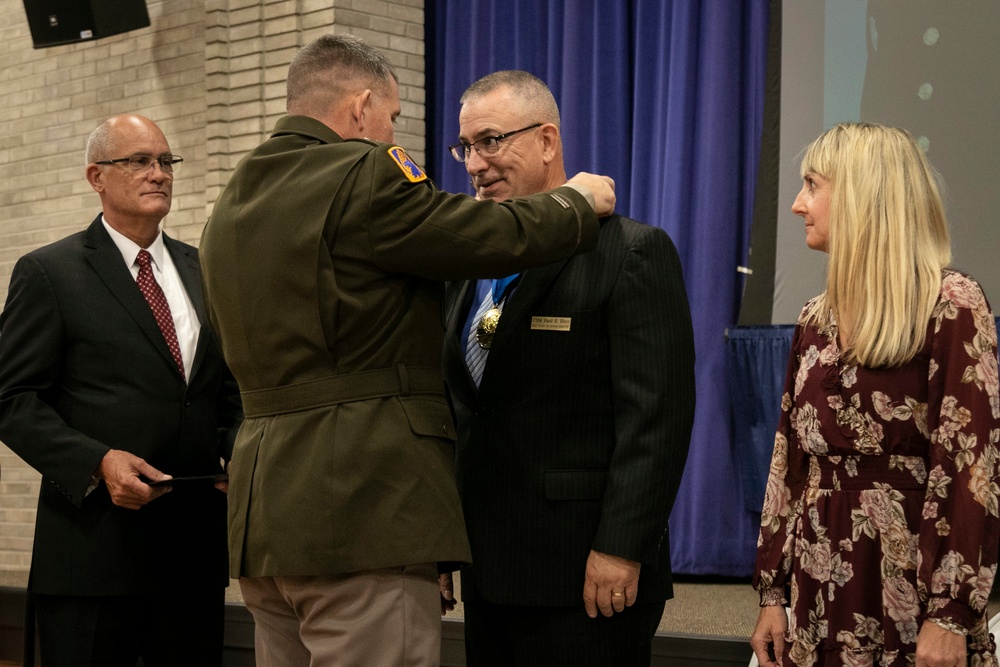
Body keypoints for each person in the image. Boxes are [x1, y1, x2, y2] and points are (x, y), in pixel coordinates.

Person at [198, 35, 616, 666]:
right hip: (364, 509)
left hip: (268, 521)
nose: (391, 132)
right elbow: (482, 234)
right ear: (362, 105)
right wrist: (575, 203)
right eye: (392, 117)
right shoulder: (362, 171)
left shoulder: (229, 203)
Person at [440, 70, 696, 666]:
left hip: (586, 576)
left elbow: (656, 419)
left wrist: (621, 547)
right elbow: (458, 411)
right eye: (467, 147)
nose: (475, 164)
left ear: (548, 141)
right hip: (487, 573)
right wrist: (443, 547)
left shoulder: (629, 252)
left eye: (491, 141)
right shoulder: (466, 261)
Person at [750, 122, 1000, 667]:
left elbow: (968, 468)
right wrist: (773, 593)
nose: (797, 204)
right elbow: (789, 462)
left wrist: (949, 614)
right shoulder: (815, 318)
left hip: (908, 594)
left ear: (862, 194)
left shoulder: (951, 305)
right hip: (816, 590)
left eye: (812, 184)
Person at [0, 114, 242, 666]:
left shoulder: (202, 269)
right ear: (96, 177)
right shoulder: (50, 272)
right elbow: (11, 398)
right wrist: (95, 462)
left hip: (191, 557)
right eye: (138, 161)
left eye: (165, 162)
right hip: (93, 554)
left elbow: (226, 394)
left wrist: (242, 452)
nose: (158, 174)